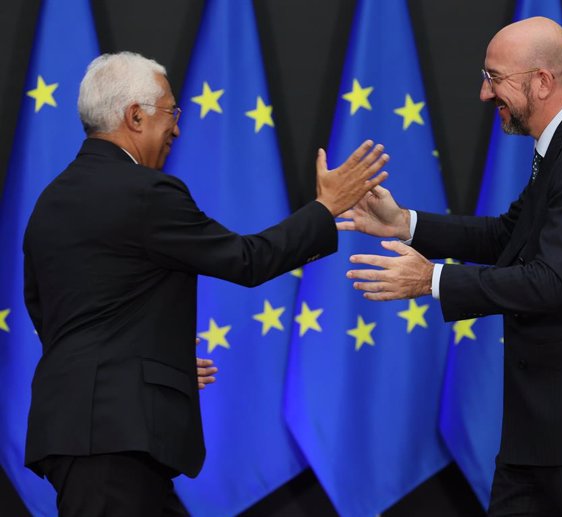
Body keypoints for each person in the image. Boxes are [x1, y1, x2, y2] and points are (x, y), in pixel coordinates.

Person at [23, 51, 388, 516]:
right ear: (135, 116)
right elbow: (246, 260)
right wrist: (325, 209)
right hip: (115, 435)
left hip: (83, 428)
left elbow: (51, 313)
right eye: (171, 112)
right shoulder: (146, 193)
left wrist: (148, 361)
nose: (177, 128)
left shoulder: (49, 201)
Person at [341, 16, 562, 516]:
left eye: (494, 78)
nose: (482, 93)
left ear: (541, 82)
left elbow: (550, 282)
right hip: (542, 430)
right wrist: (403, 223)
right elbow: (506, 237)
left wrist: (430, 278)